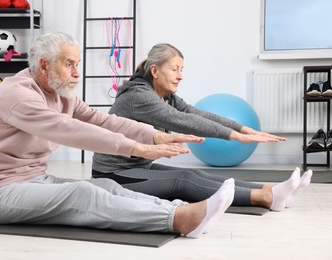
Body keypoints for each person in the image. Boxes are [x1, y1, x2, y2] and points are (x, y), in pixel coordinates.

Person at [0, 32, 239, 239]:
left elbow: (103, 120)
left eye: (77, 64)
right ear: (45, 66)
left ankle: (180, 208)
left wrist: (154, 136)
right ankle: (178, 219)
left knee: (105, 186)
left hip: (34, 179)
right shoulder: (17, 95)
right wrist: (136, 148)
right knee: (81, 192)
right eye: (69, 64)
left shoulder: (61, 93)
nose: (76, 73)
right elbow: (66, 129)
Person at [92, 43, 313, 211]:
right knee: (184, 180)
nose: (180, 76)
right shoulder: (139, 96)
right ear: (155, 71)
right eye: (174, 69)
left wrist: (243, 129)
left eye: (182, 69)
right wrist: (233, 136)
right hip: (114, 174)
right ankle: (265, 198)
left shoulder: (165, 95)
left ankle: (270, 190)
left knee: (196, 173)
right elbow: (182, 120)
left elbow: (194, 112)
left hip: (139, 168)